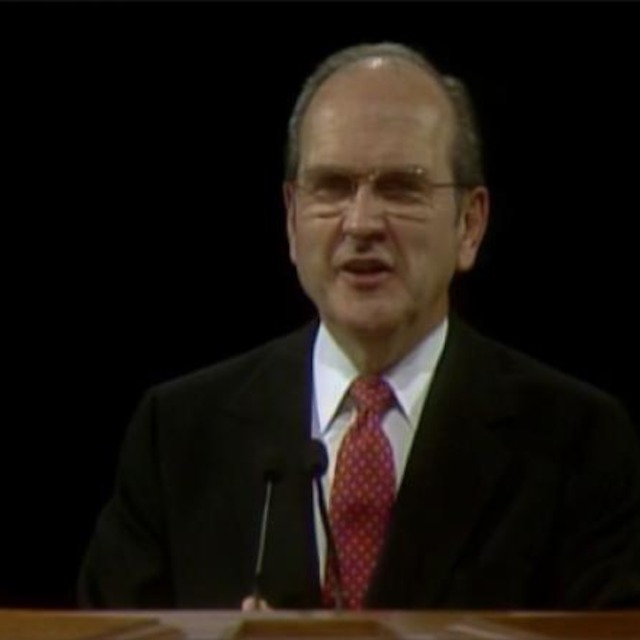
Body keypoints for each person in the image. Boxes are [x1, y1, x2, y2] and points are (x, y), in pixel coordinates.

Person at [78, 42, 640, 611]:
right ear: (292, 219)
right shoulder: (179, 435)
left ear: (469, 225)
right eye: (331, 186)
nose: (362, 222)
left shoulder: (575, 441)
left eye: (401, 188)